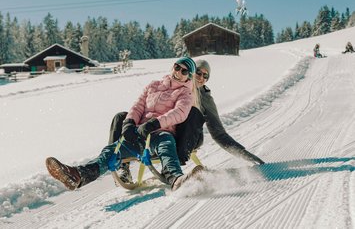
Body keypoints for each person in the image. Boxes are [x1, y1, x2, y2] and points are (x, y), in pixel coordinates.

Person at [46, 57, 201, 191]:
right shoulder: (154, 85)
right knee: (111, 151)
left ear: (189, 77)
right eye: (177, 67)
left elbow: (180, 113)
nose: (179, 72)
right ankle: (79, 175)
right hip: (139, 132)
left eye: (184, 71)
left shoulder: (185, 93)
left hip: (160, 133)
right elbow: (138, 105)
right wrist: (129, 122)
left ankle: (175, 178)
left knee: (166, 146)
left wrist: (155, 123)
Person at [111, 59, 264, 184]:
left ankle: (173, 164)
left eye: (206, 76)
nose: (201, 78)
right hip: (161, 130)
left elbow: (219, 133)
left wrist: (246, 155)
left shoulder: (204, 98)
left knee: (193, 113)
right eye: (198, 72)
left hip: (186, 138)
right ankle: (121, 166)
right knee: (121, 117)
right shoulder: (172, 86)